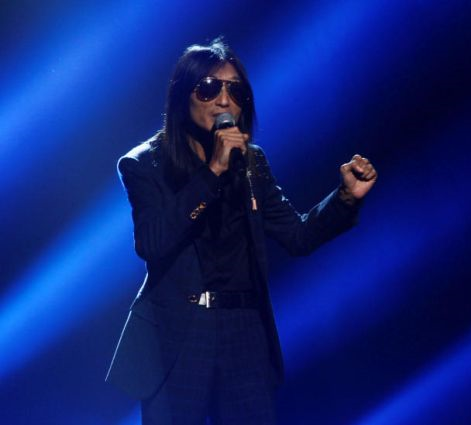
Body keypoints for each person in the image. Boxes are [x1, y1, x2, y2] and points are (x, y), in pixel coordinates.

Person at [106, 37, 377, 425]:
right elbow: (153, 243)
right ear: (182, 96)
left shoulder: (251, 162)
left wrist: (345, 198)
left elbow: (297, 236)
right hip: (177, 336)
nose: (223, 100)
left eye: (235, 91)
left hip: (244, 331)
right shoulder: (144, 164)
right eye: (209, 88)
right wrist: (212, 172)